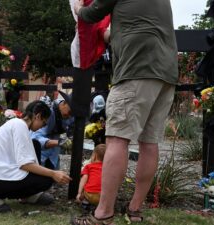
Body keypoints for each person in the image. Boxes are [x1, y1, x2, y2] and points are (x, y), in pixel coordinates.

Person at [72, 0, 178, 224]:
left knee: (117, 141)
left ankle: (103, 214)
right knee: (149, 143)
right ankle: (135, 210)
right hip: (166, 73)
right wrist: (107, 34)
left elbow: (91, 14)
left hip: (135, 70)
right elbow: (137, 26)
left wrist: (77, 9)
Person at [0, 100, 72, 213]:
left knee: (35, 144)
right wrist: (53, 173)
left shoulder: (16, 124)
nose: (42, 127)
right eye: (44, 123)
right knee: (47, 180)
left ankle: (25, 195)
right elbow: (25, 165)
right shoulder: (20, 126)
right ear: (38, 116)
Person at [31, 91, 75, 169]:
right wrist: (59, 142)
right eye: (70, 112)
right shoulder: (48, 112)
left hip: (54, 156)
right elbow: (35, 138)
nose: (70, 116)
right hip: (39, 157)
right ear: (64, 103)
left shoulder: (69, 116)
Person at [76, 144, 106, 211]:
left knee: (85, 189)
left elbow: (83, 180)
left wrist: (79, 193)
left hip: (90, 195)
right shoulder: (108, 169)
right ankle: (102, 207)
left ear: (94, 156)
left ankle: (85, 202)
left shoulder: (88, 166)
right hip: (103, 197)